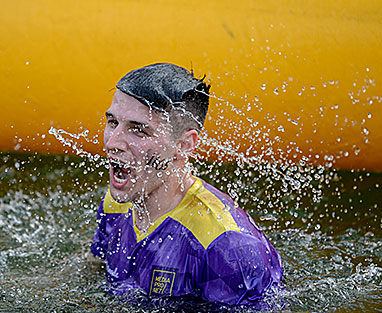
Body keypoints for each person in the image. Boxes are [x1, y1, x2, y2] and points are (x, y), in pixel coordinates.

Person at [90, 63, 283, 308]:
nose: (113, 142)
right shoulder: (117, 201)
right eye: (112, 122)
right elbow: (93, 270)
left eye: (138, 131)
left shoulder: (227, 247)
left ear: (184, 144)